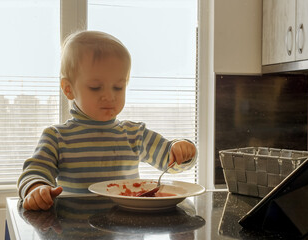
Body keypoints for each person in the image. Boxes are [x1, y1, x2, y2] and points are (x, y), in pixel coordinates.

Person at [18, 30, 197, 210]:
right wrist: (37, 188)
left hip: (127, 228)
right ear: (68, 89)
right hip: (77, 231)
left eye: (118, 87)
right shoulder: (56, 137)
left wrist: (181, 150)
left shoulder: (135, 134)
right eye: (96, 88)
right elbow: (35, 171)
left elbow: (170, 161)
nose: (109, 96)